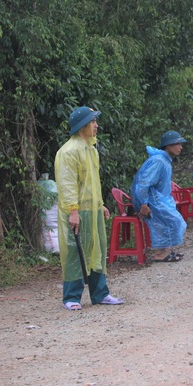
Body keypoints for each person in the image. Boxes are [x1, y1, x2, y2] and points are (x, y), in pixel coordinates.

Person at [55, 106, 123, 310]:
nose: (96, 126)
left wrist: (100, 205)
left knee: (97, 250)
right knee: (76, 252)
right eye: (93, 122)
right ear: (83, 125)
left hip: (92, 211)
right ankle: (71, 297)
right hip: (76, 211)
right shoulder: (68, 152)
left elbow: (93, 183)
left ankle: (100, 293)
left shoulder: (91, 150)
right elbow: (67, 184)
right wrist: (73, 211)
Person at [131, 131, 188, 262]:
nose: (180, 147)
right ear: (167, 146)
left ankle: (166, 250)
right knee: (172, 220)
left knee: (172, 219)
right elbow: (143, 184)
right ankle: (160, 253)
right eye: (176, 144)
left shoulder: (164, 160)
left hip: (156, 197)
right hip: (149, 198)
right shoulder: (158, 161)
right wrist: (143, 204)